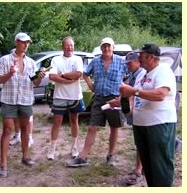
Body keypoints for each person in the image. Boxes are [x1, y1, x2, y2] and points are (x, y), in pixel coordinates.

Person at [119, 44, 177, 186]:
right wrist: (123, 100)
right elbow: (136, 95)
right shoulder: (142, 74)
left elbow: (160, 94)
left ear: (152, 57)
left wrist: (133, 92)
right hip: (141, 125)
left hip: (159, 125)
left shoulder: (163, 71)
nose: (139, 58)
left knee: (160, 165)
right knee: (148, 165)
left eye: (142, 55)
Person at [69, 37, 127, 167]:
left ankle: (111, 155)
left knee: (114, 127)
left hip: (115, 98)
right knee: (92, 127)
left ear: (113, 48)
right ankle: (83, 157)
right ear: (101, 48)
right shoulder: (95, 62)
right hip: (99, 98)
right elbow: (85, 74)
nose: (106, 48)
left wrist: (124, 91)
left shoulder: (121, 61)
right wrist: (91, 86)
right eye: (104, 46)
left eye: (109, 46)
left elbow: (130, 75)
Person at [0, 32, 45, 177]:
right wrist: (10, 74)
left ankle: (25, 157)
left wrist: (39, 78)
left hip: (25, 100)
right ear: (16, 42)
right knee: (7, 130)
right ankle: (3, 164)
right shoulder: (5, 60)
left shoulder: (31, 63)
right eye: (23, 42)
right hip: (9, 100)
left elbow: (35, 83)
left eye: (28, 42)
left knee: (25, 129)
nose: (26, 45)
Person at [46, 36, 86, 160]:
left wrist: (62, 75)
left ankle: (74, 148)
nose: (70, 47)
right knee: (57, 122)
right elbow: (52, 76)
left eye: (72, 45)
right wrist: (68, 79)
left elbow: (78, 74)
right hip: (60, 96)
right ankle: (51, 150)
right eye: (67, 45)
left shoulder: (78, 59)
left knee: (74, 121)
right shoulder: (56, 59)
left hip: (75, 95)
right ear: (63, 46)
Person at [117, 52, 145, 185]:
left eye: (130, 63)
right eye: (126, 64)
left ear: (138, 62)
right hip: (137, 112)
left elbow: (134, 93)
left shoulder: (142, 74)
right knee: (141, 141)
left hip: (142, 112)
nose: (128, 66)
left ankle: (138, 171)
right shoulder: (133, 74)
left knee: (141, 141)